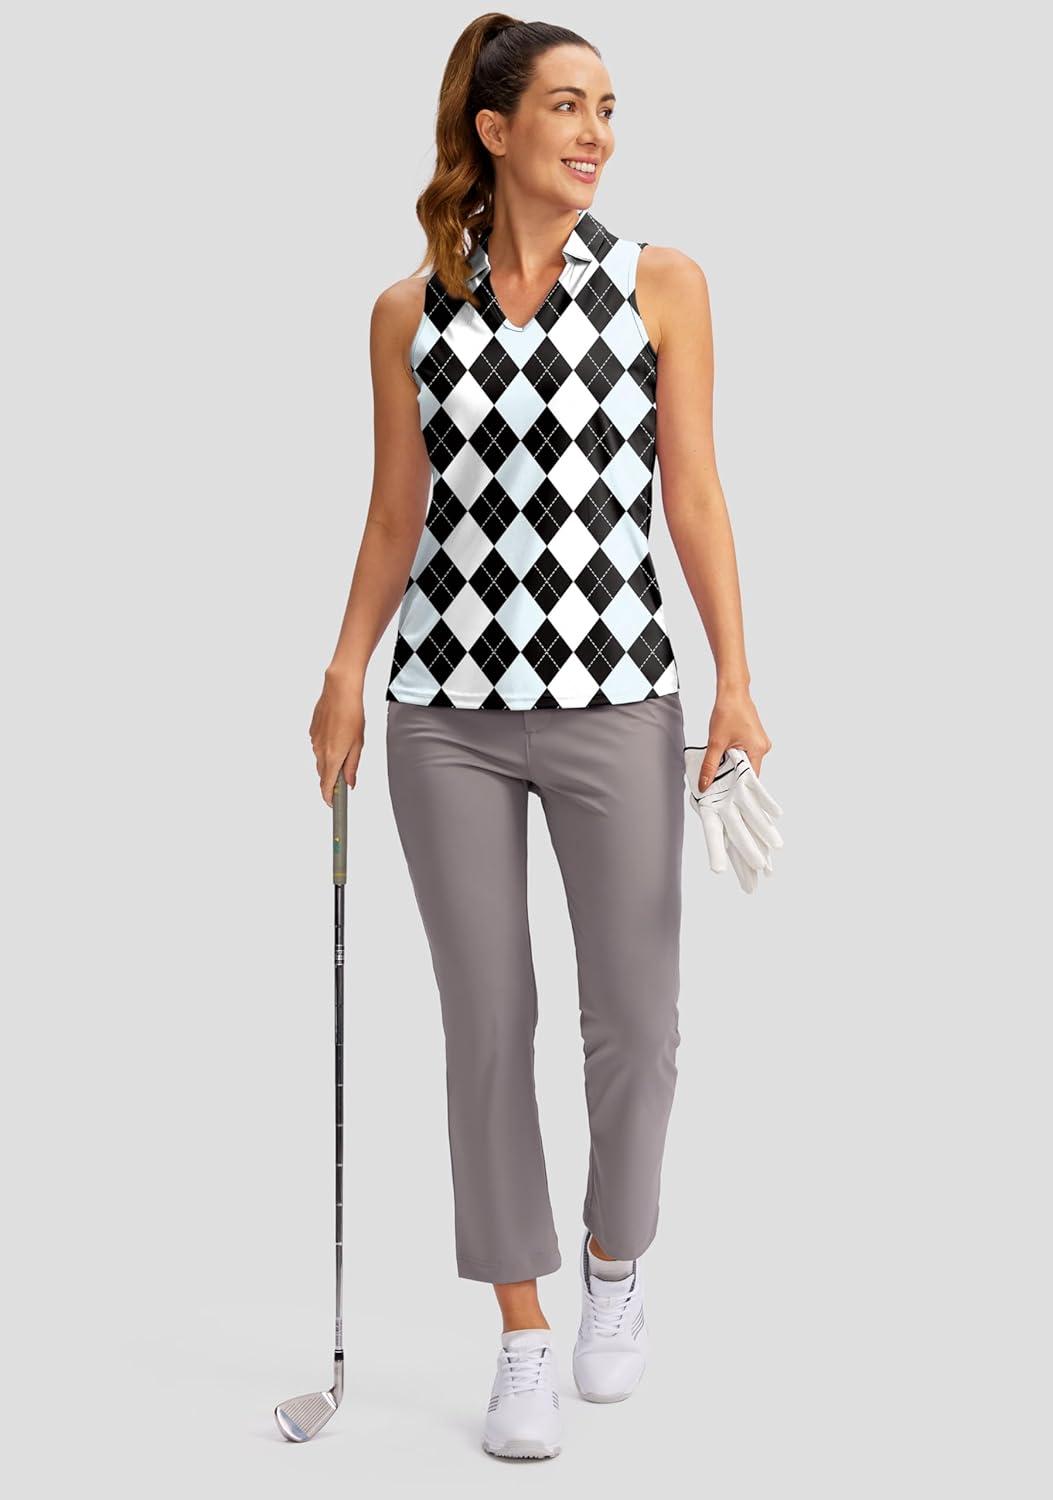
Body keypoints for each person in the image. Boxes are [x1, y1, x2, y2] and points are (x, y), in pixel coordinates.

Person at [308, 13, 772, 1461]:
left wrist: (736, 682)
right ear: (494, 129)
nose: (596, 133)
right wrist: (343, 670)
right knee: (485, 1020)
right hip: (443, 710)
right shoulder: (407, 311)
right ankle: (519, 1330)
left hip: (617, 697)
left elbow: (692, 493)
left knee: (635, 1021)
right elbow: (396, 513)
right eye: (567, 106)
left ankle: (614, 1264)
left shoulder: (658, 285)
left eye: (608, 108)